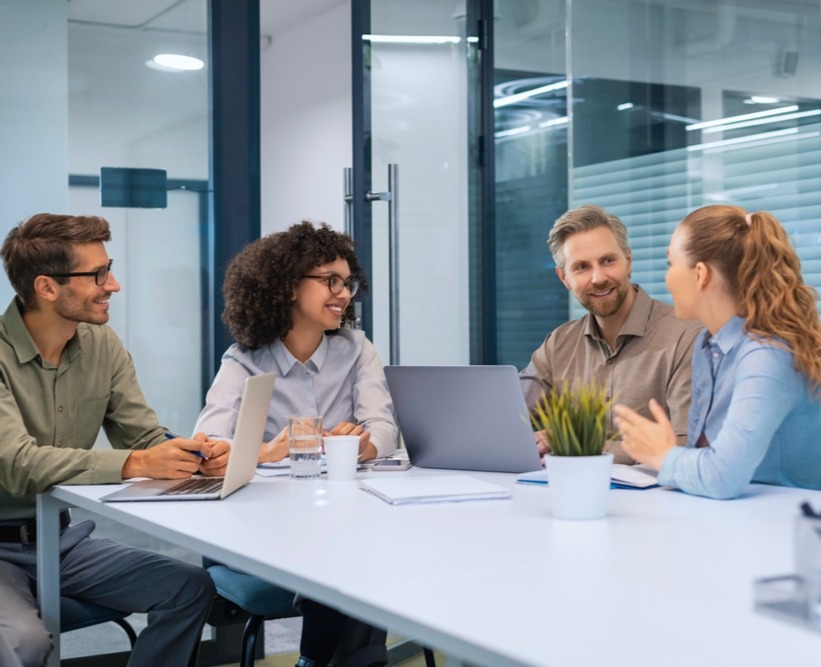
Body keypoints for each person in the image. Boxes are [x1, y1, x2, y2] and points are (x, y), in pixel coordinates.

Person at [0, 213, 229, 666]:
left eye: (110, 269)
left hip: (60, 544)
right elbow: (18, 463)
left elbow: (144, 435)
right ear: (46, 287)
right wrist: (137, 463)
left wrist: (193, 454)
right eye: (98, 274)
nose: (114, 285)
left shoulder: (102, 344)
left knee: (188, 587)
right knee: (24, 642)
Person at [195, 220, 397, 667]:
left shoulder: (356, 349)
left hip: (341, 519)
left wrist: (362, 444)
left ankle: (327, 660)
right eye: (330, 281)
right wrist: (271, 450)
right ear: (288, 286)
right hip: (263, 528)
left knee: (355, 551)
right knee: (350, 559)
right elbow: (206, 446)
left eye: (347, 283)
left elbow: (383, 427)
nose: (343, 294)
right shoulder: (244, 360)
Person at [614, 205, 821, 499]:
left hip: (789, 516)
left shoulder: (766, 355)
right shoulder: (707, 346)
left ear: (700, 274)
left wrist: (661, 454)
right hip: (737, 513)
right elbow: (704, 458)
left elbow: (723, 476)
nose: (667, 278)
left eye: (671, 263)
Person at [519, 204, 701, 464]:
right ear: (564, 278)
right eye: (581, 267)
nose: (598, 278)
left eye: (608, 261)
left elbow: (686, 446)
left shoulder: (686, 337)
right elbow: (507, 419)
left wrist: (574, 443)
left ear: (628, 261)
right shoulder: (559, 344)